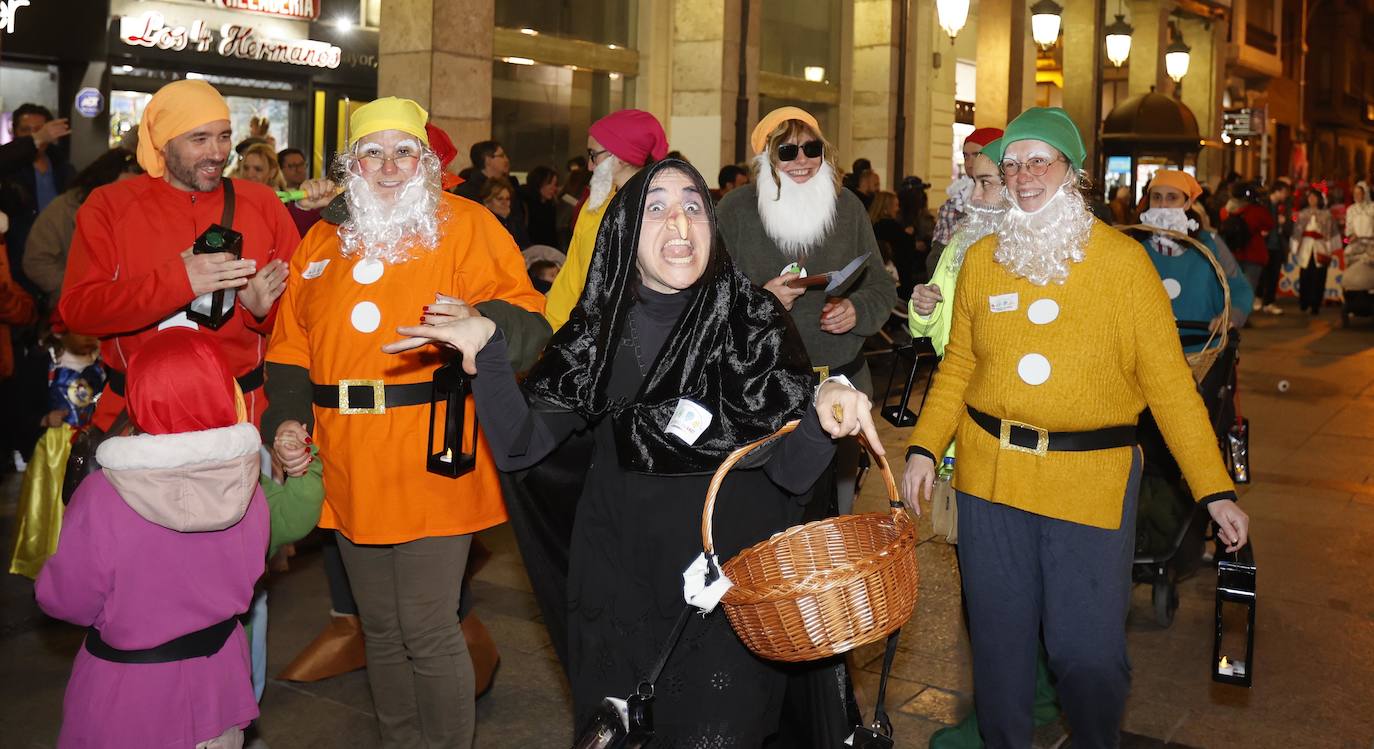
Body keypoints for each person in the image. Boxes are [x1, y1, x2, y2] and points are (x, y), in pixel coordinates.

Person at [381, 157, 881, 744]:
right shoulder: (598, 331)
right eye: (657, 207)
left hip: (730, 592)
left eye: (693, 206)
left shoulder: (755, 320)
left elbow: (794, 478)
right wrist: (488, 352)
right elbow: (519, 449)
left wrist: (822, 420)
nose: (679, 222)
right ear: (625, 232)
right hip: (620, 589)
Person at [902, 107, 1249, 747]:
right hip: (991, 480)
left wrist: (1215, 488)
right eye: (1012, 164)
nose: (1024, 176)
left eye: (1041, 160)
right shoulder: (982, 260)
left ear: (1074, 172)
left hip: (1089, 484)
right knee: (1000, 658)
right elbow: (959, 368)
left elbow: (1171, 386)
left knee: (1087, 656)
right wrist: (924, 446)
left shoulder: (1123, 265)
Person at [262, 97, 548, 748]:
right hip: (346, 458)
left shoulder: (468, 226)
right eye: (372, 152)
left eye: (404, 152)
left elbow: (534, 329)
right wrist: (285, 420)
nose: (389, 166)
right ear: (351, 165)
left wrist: (483, 322)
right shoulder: (323, 238)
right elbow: (288, 346)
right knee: (380, 625)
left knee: (425, 622)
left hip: (431, 451)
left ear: (426, 162)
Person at [717, 106, 895, 748]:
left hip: (838, 388)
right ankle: (760, 655)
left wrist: (857, 311)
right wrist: (760, 301)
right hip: (765, 390)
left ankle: (825, 674)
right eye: (786, 152)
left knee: (833, 529)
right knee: (766, 526)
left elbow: (882, 286)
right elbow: (703, 298)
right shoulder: (734, 212)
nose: (800, 163)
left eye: (810, 150)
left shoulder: (847, 210)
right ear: (765, 158)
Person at [35, 328, 269, 749]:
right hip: (221, 685)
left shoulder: (105, 494)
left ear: (138, 394)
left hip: (131, 696)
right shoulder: (247, 483)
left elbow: (65, 598)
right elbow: (252, 569)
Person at [59, 80, 315, 436]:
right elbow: (79, 310)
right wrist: (178, 281)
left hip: (241, 417)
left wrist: (261, 311)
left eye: (224, 136)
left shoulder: (262, 203)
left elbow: (304, 314)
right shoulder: (109, 206)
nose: (217, 152)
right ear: (164, 143)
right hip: (136, 420)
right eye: (199, 139)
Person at [544, 109, 668, 330]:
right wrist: (551, 330)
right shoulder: (595, 204)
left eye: (594, 155)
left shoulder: (659, 212)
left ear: (619, 157)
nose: (590, 166)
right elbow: (572, 276)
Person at [8, 317, 103, 579]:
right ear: (62, 331)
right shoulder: (44, 361)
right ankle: (51, 564)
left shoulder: (100, 360)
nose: (88, 337)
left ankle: (88, 565)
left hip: (90, 446)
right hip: (55, 449)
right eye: (81, 330)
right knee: (53, 502)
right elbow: (20, 405)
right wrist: (43, 419)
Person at [1135, 170, 1254, 351]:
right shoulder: (1134, 247)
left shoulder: (1209, 245)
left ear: (1188, 203)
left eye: (1172, 197)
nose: (1162, 205)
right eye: (1156, 197)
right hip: (1147, 353)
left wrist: (1230, 317)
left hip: (1203, 350)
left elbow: (1240, 288)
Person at [23, 148, 141, 312]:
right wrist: (77, 289)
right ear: (103, 182)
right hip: (76, 310)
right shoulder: (64, 209)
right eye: (121, 189)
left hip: (128, 307)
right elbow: (36, 261)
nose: (126, 196)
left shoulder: (141, 213)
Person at [931, 128, 1003, 266]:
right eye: (965, 156)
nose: (969, 162)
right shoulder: (955, 201)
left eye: (976, 154)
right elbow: (939, 256)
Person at [1292, 188, 1340, 315]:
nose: (1312, 200)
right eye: (1310, 197)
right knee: (1305, 275)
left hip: (1320, 247)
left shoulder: (1326, 215)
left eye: (1314, 197)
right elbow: (1297, 232)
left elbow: (1330, 232)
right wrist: (1295, 247)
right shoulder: (1303, 214)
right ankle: (1304, 302)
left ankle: (1315, 304)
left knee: (1319, 277)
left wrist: (1330, 248)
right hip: (1306, 248)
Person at [1220, 180, 1273, 293]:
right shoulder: (1255, 210)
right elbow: (1269, 223)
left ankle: (1232, 310)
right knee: (1248, 289)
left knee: (1231, 289)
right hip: (1254, 253)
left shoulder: (1225, 211)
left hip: (1231, 253)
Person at [871, 189, 917, 299]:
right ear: (887, 207)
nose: (898, 209)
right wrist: (909, 236)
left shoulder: (872, 224)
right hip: (895, 277)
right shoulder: (891, 227)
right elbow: (906, 251)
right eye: (895, 205)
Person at [1257, 180, 1292, 314]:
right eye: (1284, 193)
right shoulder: (1264, 204)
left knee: (1273, 275)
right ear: (1277, 191)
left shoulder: (1281, 207)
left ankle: (1269, 302)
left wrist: (1283, 223)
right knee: (1262, 274)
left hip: (1277, 245)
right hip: (1265, 245)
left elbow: (1288, 227)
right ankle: (1259, 298)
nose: (1285, 196)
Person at [1342, 181, 1374, 295]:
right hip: (1356, 243)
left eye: (1359, 193)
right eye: (1355, 194)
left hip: (1371, 244)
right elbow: (1348, 229)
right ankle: (1350, 293)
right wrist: (1351, 235)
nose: (1357, 196)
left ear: (1365, 194)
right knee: (1348, 255)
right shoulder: (1351, 210)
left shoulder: (1372, 208)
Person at [479, 176, 528, 248]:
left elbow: (525, 245)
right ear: (487, 202)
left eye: (507, 199)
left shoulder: (515, 223)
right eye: (500, 199)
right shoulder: (481, 225)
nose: (504, 203)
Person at [520, 165, 560, 248]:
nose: (554, 188)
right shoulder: (524, 204)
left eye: (555, 184)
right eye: (549, 183)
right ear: (538, 183)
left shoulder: (551, 206)